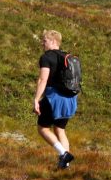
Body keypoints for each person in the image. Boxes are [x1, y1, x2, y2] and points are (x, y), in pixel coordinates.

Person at [33, 29, 78, 169]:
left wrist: (36, 99)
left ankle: (63, 154)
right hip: (70, 99)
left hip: (54, 98)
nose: (42, 43)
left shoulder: (46, 57)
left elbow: (43, 79)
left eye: (44, 40)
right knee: (60, 129)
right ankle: (65, 165)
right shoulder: (67, 57)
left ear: (53, 41)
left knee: (43, 128)